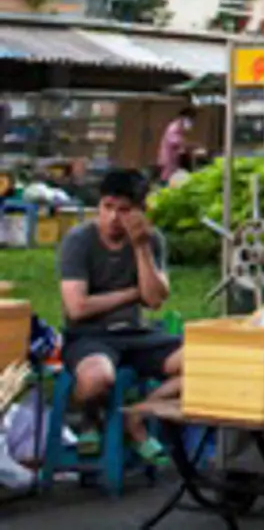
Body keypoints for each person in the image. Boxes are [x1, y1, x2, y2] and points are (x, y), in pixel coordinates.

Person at [57, 169, 179, 466]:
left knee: (205, 363)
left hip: (136, 334)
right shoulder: (79, 240)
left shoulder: (151, 241)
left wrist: (140, 247)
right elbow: (78, 307)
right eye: (107, 208)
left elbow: (154, 299)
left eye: (124, 210)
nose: (113, 218)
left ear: (140, 212)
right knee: (98, 378)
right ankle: (90, 416)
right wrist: (131, 293)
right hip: (89, 336)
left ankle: (136, 415)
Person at [156, 107, 193, 183]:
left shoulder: (179, 128)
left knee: (172, 177)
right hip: (168, 158)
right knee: (167, 178)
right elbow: (175, 141)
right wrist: (188, 145)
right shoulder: (173, 127)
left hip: (173, 159)